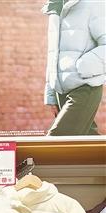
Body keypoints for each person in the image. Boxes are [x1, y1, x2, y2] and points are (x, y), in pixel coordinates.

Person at [45, 0, 105, 136]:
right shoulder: (54, 6)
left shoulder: (95, 3)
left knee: (56, 140)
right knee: (87, 145)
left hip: (85, 87)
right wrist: (51, 93)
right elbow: (53, 52)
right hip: (60, 92)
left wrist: (84, 66)